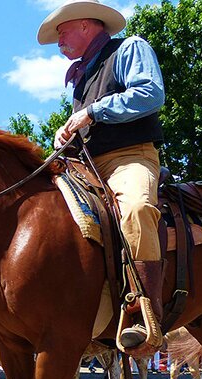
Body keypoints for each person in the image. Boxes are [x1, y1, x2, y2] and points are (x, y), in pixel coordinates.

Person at [39, 0, 166, 350]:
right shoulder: (83, 75)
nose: (59, 41)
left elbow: (150, 94)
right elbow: (86, 122)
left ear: (84, 25)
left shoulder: (129, 48)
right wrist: (65, 137)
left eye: (62, 32)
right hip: (87, 166)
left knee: (137, 210)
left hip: (130, 157)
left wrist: (92, 112)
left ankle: (145, 315)